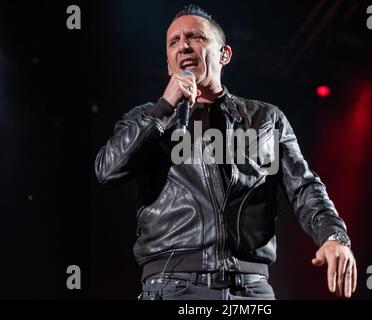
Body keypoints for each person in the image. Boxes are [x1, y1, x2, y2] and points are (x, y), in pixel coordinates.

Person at [95, 4, 356, 300]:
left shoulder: (265, 120)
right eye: (174, 41)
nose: (183, 46)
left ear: (224, 54)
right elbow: (108, 170)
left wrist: (333, 236)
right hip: (172, 285)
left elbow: (305, 187)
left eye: (195, 37)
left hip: (251, 288)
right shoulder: (146, 119)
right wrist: (164, 108)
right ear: (169, 65)